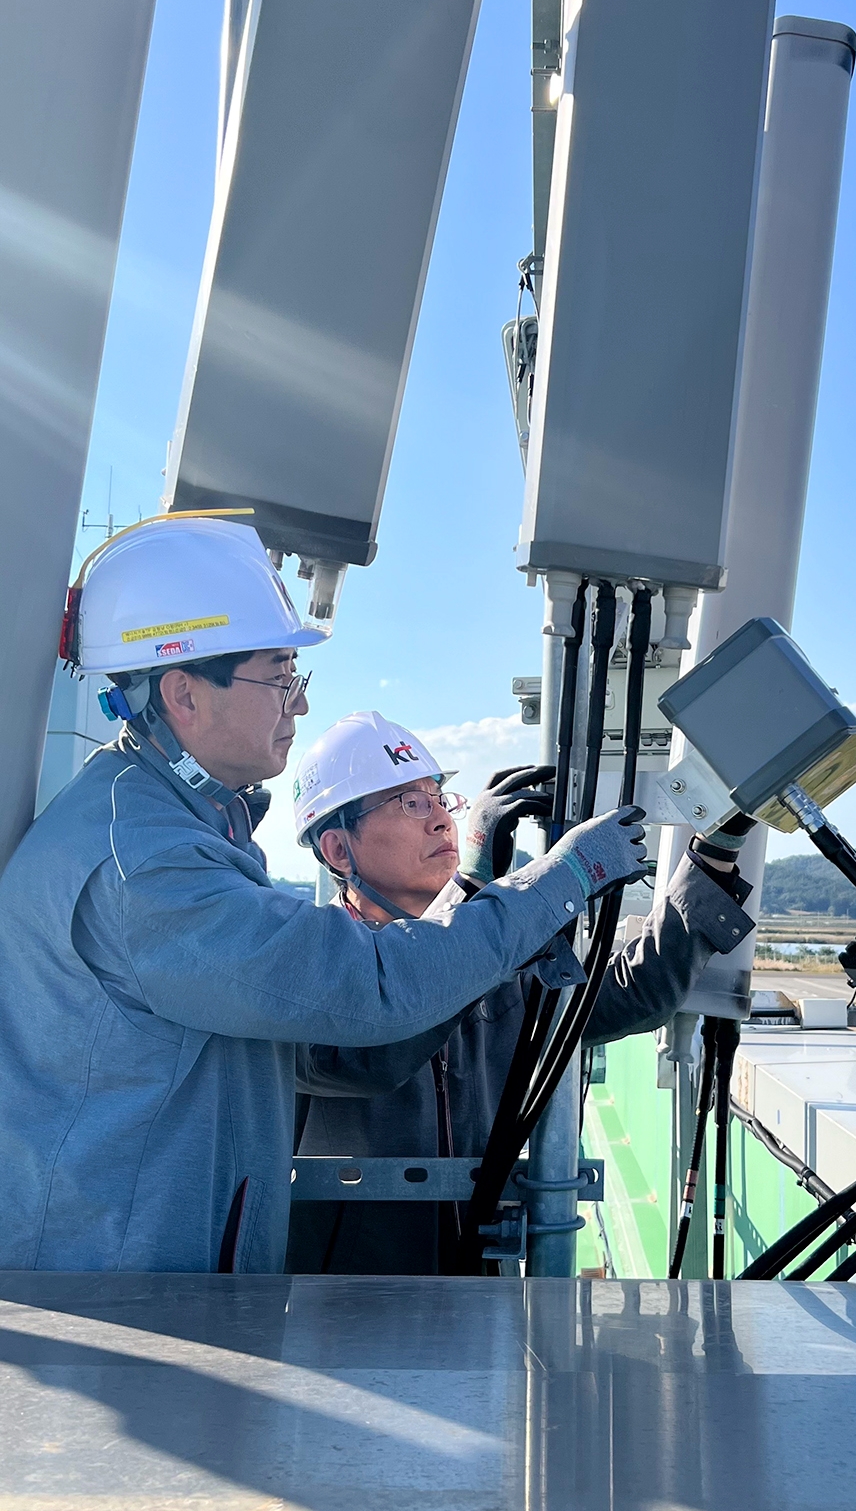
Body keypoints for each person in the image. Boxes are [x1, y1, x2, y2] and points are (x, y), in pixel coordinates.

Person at [0, 517, 647, 1274]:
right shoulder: (144, 862)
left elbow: (325, 1045)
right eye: (279, 677)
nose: (297, 705)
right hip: (119, 1312)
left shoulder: (175, 826)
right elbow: (365, 988)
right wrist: (559, 882)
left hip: (150, 1296)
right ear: (183, 693)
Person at [286, 711, 756, 1274]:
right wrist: (475, 891)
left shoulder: (498, 964)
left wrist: (718, 846)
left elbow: (635, 991)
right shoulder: (304, 967)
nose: (441, 820)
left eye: (440, 798)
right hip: (341, 1304)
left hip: (479, 1286)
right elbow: (371, 1053)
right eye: (410, 803)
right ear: (339, 851)